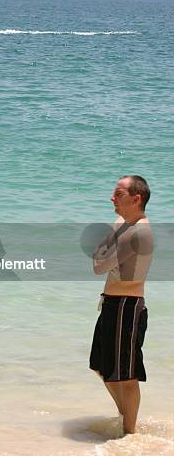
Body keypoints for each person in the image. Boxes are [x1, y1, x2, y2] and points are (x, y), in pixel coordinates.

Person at [89, 175, 153, 435]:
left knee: (126, 375)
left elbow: (97, 264)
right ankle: (125, 416)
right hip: (111, 303)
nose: (112, 198)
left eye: (118, 194)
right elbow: (99, 257)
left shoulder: (137, 231)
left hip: (127, 306)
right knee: (101, 367)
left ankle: (130, 432)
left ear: (136, 199)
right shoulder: (124, 224)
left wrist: (105, 245)